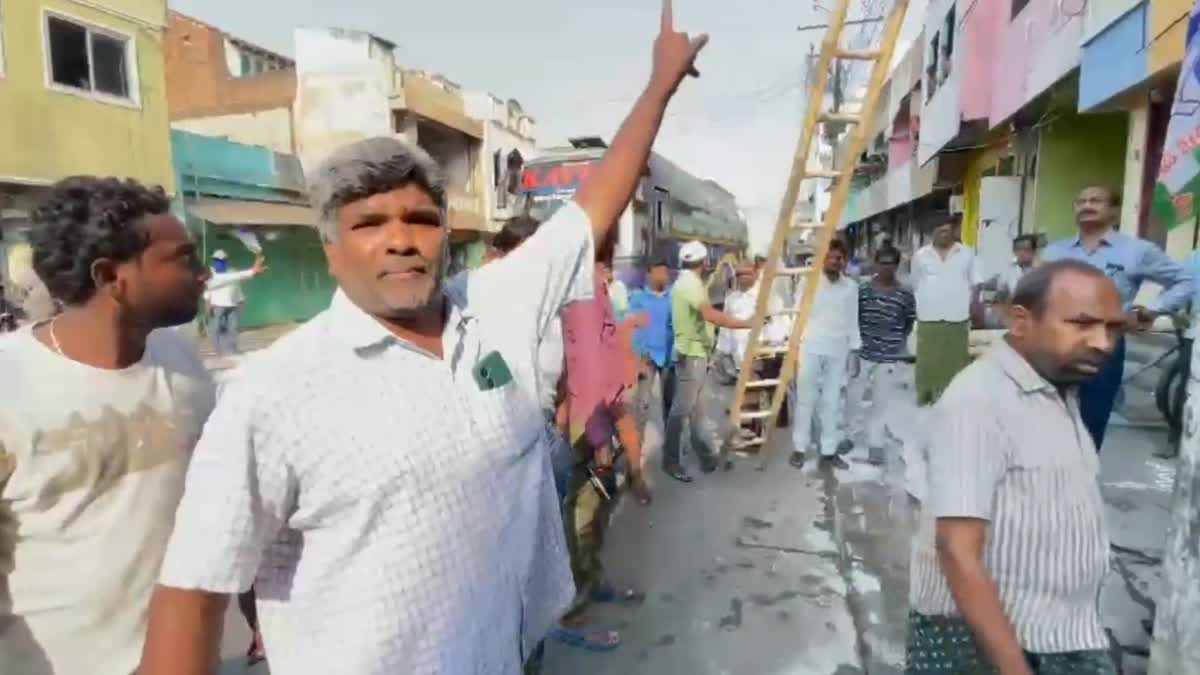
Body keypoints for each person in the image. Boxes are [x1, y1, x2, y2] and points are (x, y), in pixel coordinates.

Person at [139, 5, 708, 673]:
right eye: (369, 222)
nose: (401, 237)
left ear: (444, 231)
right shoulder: (274, 393)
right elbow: (195, 587)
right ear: (329, 250)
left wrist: (659, 85)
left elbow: (593, 204)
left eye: (419, 218)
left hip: (511, 649)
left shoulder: (493, 304)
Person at [0, 176, 216, 675]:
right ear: (109, 276)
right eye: (183, 258)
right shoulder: (9, 385)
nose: (203, 274)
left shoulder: (181, 362)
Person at [906, 260, 1124, 675]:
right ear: (1021, 321)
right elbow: (956, 549)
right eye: (1082, 323)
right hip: (995, 644)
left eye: (1114, 329)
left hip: (1060, 631)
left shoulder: (1056, 388)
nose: (1103, 343)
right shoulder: (979, 402)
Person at [1041, 185, 1193, 450]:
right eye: (1081, 201)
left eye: (1096, 201)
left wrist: (1153, 310)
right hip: (1054, 345)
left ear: (1114, 211)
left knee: (1090, 423)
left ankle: (1080, 486)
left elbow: (1184, 280)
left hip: (1102, 346)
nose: (1087, 205)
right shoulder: (1054, 252)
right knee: (1045, 420)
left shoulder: (1136, 251)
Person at [664, 240, 753, 482]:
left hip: (695, 353)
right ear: (703, 263)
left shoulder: (685, 283)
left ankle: (706, 458)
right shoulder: (690, 286)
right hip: (691, 355)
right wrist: (747, 323)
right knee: (681, 410)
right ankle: (670, 461)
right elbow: (710, 315)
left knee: (696, 411)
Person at [789, 239, 860, 471]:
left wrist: (855, 351)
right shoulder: (808, 284)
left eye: (839, 258)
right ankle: (799, 448)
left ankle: (828, 451)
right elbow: (796, 315)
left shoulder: (850, 287)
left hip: (837, 350)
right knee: (805, 400)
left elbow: (853, 320)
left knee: (831, 403)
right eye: (830, 257)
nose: (834, 261)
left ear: (844, 261)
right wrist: (792, 348)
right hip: (809, 346)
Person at [851, 246, 917, 465]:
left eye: (891, 263)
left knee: (880, 402)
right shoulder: (863, 291)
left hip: (888, 356)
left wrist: (896, 342)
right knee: (853, 398)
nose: (886, 267)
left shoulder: (905, 294)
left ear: (896, 266)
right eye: (882, 263)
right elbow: (854, 318)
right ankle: (846, 436)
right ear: (875, 264)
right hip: (863, 353)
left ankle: (875, 445)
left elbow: (908, 321)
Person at [911, 214, 982, 405]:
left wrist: (975, 306)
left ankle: (953, 401)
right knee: (928, 363)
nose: (944, 233)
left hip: (957, 317)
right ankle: (926, 400)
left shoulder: (967, 253)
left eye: (947, 230)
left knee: (955, 362)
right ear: (931, 232)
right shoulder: (920, 255)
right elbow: (915, 284)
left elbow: (976, 283)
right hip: (928, 317)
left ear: (953, 231)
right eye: (939, 230)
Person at [629, 257, 676, 435]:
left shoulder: (674, 297)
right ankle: (635, 455)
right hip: (646, 358)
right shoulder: (638, 298)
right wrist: (637, 357)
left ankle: (671, 455)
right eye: (659, 271)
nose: (663, 276)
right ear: (649, 274)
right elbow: (634, 329)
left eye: (666, 272)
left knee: (670, 406)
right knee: (642, 405)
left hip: (669, 359)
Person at [205, 249, 267, 356]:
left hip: (232, 304)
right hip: (217, 304)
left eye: (223, 260)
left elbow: (237, 284)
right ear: (214, 260)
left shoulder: (232, 271)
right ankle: (218, 351)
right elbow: (208, 289)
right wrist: (208, 302)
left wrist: (241, 300)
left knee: (233, 328)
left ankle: (232, 350)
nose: (220, 262)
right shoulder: (211, 273)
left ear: (226, 260)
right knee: (216, 328)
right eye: (217, 260)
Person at [1000, 234, 1039, 300]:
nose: (1022, 253)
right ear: (1014, 252)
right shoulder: (1009, 272)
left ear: (1034, 251)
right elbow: (1001, 295)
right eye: (1018, 249)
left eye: (1026, 249)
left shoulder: (1041, 272)